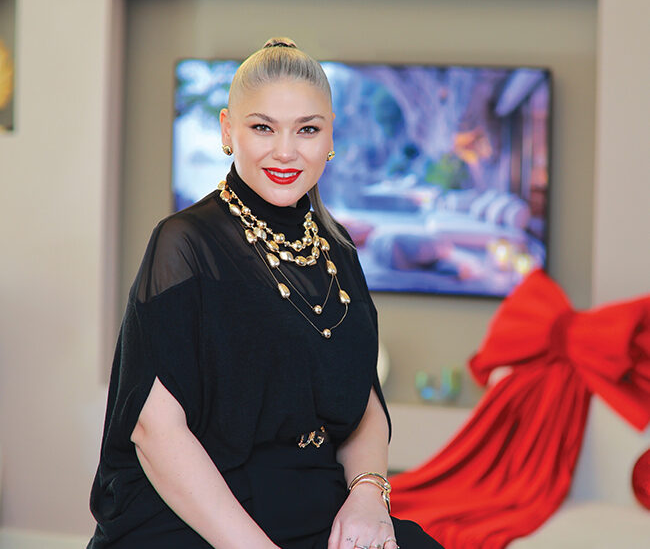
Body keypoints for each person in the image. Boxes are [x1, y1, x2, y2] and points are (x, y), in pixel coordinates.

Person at [87, 37, 444, 549]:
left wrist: (368, 495)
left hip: (314, 505)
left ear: (330, 136)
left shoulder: (338, 249)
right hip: (197, 517)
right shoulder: (185, 243)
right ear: (227, 130)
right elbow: (154, 432)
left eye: (307, 129)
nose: (285, 151)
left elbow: (364, 404)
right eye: (262, 127)